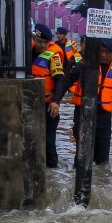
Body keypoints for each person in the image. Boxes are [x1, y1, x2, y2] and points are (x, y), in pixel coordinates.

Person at [65, 38, 112, 165]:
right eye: (101, 51)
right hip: (83, 113)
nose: (103, 55)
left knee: (103, 160)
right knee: (82, 157)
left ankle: (102, 182)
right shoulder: (86, 63)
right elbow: (68, 79)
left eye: (107, 52)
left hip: (104, 117)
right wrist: (56, 100)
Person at [29, 24, 66, 169]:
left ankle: (52, 170)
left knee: (49, 140)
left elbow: (60, 80)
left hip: (48, 105)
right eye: (40, 41)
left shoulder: (53, 55)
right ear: (34, 39)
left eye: (46, 42)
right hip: (31, 103)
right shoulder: (26, 52)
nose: (42, 45)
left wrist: (56, 101)